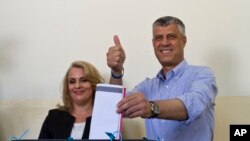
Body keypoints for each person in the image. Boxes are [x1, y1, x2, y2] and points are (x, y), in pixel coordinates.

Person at [107, 16, 218, 141]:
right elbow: (114, 108)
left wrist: (151, 108)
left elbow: (193, 105)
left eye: (171, 36)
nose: (164, 43)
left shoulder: (202, 75)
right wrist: (116, 71)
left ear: (184, 40)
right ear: (153, 43)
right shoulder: (147, 86)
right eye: (159, 38)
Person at [39, 60, 104, 139]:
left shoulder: (104, 118)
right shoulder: (53, 117)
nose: (77, 86)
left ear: (94, 84)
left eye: (84, 80)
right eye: (72, 81)